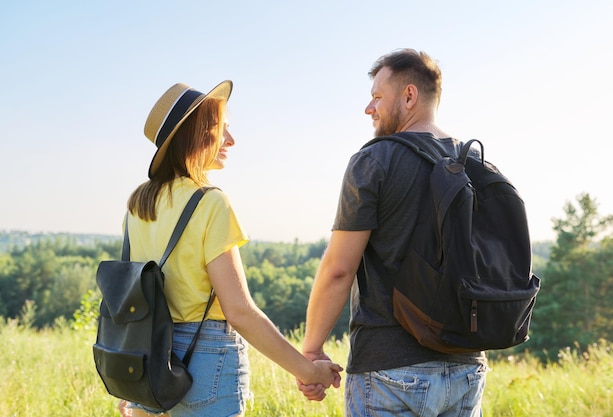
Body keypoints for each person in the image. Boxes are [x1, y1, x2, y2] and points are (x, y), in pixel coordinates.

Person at [120, 80, 342, 417]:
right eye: (221, 129)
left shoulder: (138, 205)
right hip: (205, 358)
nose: (231, 140)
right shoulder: (211, 203)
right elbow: (239, 312)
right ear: (196, 134)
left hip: (147, 356)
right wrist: (308, 371)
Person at [298, 49, 489, 416]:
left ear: (409, 96)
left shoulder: (375, 160)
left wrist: (311, 351)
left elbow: (339, 268)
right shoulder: (473, 164)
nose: (369, 109)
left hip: (389, 371)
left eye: (376, 97)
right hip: (466, 367)